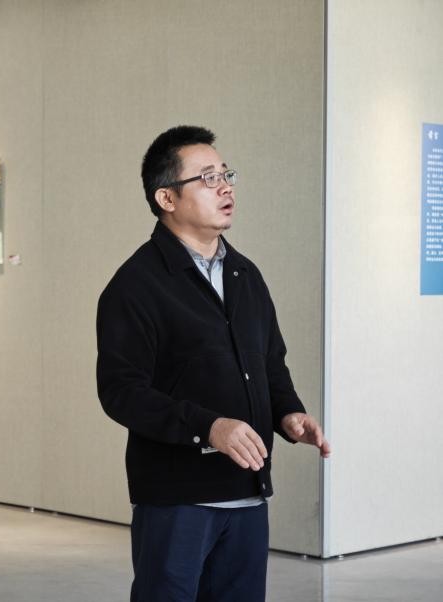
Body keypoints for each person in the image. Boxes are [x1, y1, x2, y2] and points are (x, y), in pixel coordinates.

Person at [96, 125, 331, 602]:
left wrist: (288, 412)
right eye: (207, 178)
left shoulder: (246, 274)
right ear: (166, 197)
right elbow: (121, 392)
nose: (225, 187)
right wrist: (209, 427)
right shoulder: (136, 285)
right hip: (177, 500)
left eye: (226, 174)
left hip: (247, 492)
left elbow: (270, 362)